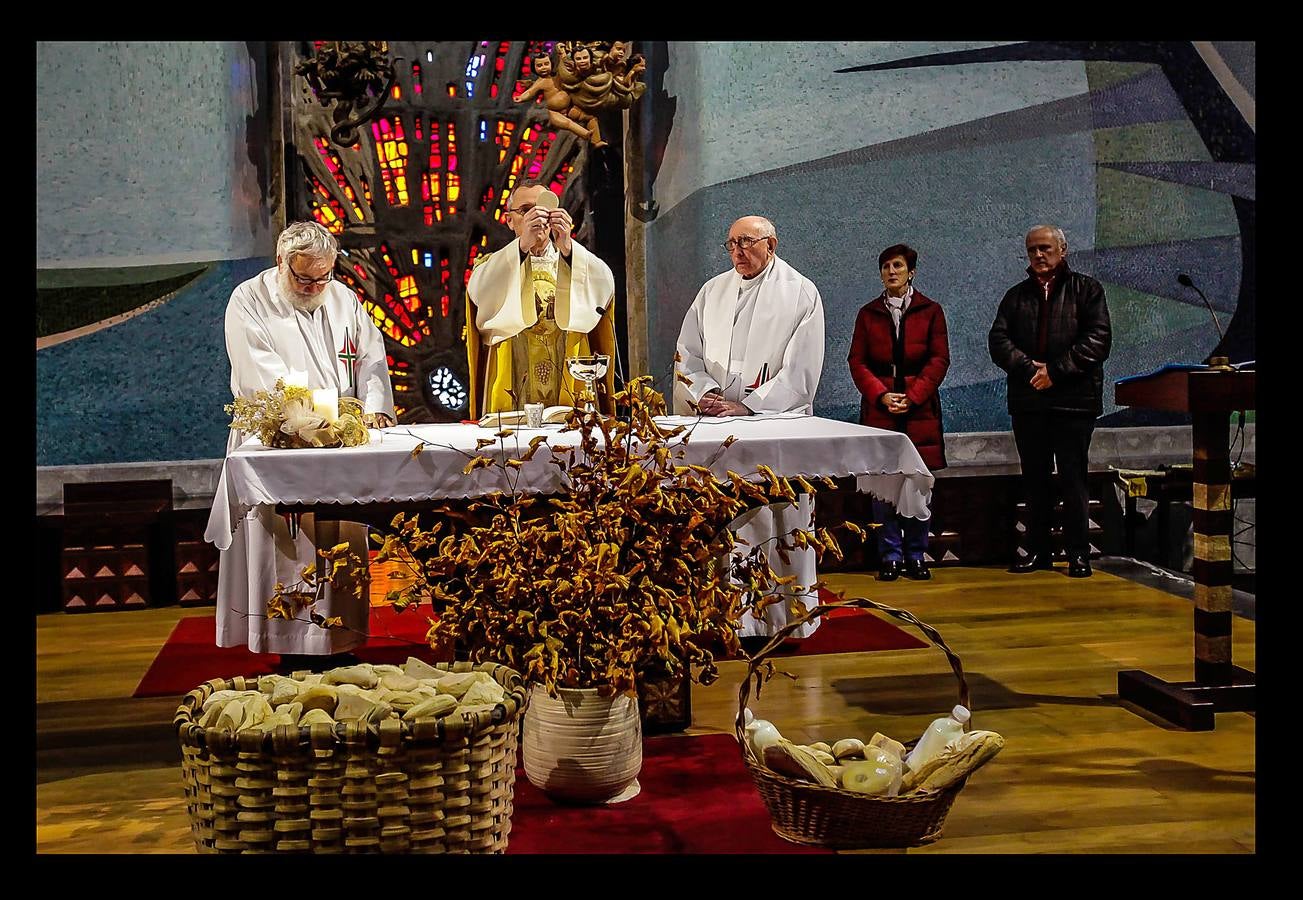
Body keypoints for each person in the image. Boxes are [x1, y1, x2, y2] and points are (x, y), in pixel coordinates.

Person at [207, 221, 396, 666]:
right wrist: (317, 420)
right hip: (281, 444)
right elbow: (262, 375)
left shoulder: (343, 298)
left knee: (340, 541)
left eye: (323, 276)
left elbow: (371, 357)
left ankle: (340, 642)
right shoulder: (249, 300)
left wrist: (372, 407)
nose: (314, 287)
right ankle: (291, 649)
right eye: (304, 277)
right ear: (280, 263)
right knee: (289, 549)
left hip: (341, 445)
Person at [674, 215, 826, 649]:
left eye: (746, 242)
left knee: (771, 521)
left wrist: (748, 406)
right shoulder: (712, 291)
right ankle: (724, 616)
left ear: (771, 244)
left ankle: (780, 619)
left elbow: (800, 369)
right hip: (717, 427)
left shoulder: (800, 293)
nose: (737, 251)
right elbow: (688, 354)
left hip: (770, 427)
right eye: (730, 244)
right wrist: (704, 395)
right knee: (724, 527)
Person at [989, 224, 1111, 578]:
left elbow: (1098, 340)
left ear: (1063, 249)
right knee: (1035, 480)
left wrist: (1055, 372)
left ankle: (1077, 554)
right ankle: (1038, 552)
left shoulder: (1087, 290)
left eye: (1045, 248)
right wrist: (1031, 370)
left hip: (1074, 402)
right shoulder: (1016, 296)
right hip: (1029, 402)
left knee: (1074, 480)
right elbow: (999, 341)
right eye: (1032, 250)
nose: (1039, 255)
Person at [465, 180, 617, 419]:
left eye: (544, 209)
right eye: (526, 211)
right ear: (509, 220)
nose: (537, 217)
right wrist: (523, 245)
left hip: (567, 380)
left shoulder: (575, 261)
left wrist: (568, 247)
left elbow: (605, 286)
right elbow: (480, 292)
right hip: (512, 379)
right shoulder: (494, 265)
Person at [848, 243, 950, 582]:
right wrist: (881, 396)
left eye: (897, 266)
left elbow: (939, 360)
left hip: (919, 413)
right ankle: (889, 555)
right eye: (885, 267)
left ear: (911, 272)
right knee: (883, 487)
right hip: (881, 412)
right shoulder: (868, 314)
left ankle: (916, 555)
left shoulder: (931, 311)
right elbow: (858, 362)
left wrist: (914, 395)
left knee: (917, 486)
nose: (891, 272)